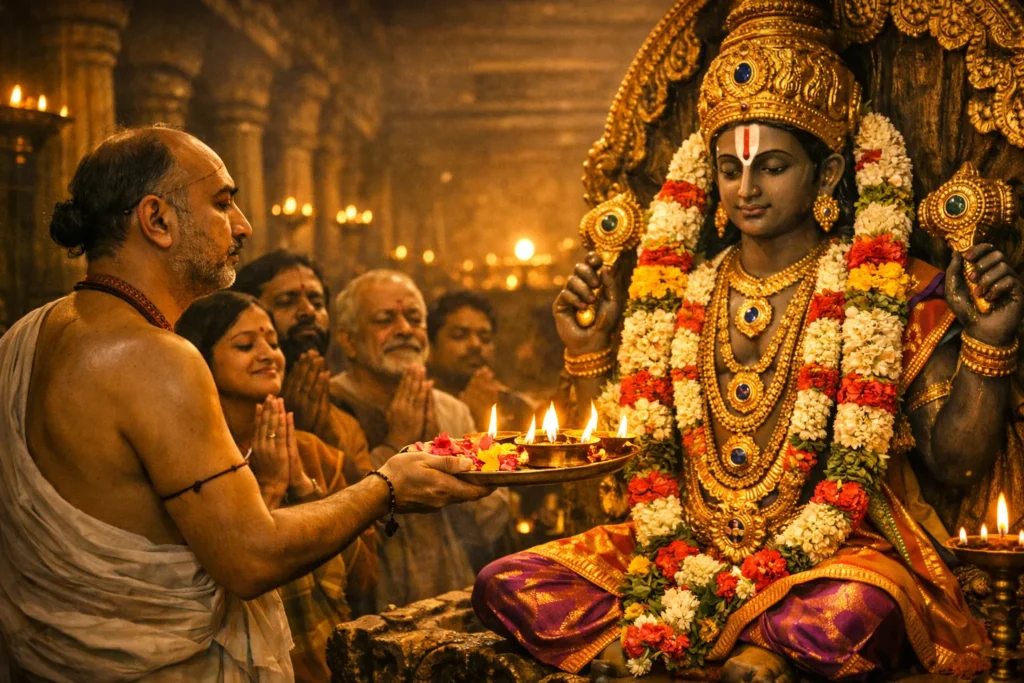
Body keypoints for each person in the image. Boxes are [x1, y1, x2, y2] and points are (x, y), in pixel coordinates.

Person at [473, 3, 1015, 681]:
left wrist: (988, 345)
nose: (746, 188)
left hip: (826, 559)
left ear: (827, 174)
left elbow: (954, 460)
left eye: (772, 166)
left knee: (858, 605)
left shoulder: (888, 287)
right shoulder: (671, 294)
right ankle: (678, 647)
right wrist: (588, 348)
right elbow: (625, 469)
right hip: (675, 551)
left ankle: (735, 650)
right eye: (729, 168)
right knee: (507, 579)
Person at [0, 125, 492, 681]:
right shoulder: (158, 357)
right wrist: (388, 486)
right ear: (156, 219)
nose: (243, 225)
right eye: (223, 202)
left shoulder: (25, 336)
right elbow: (251, 557)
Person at [175, 290, 378, 682]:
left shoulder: (313, 452)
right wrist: (267, 490)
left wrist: (301, 484)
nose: (268, 353)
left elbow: (363, 579)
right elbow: (224, 583)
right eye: (246, 345)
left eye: (273, 341)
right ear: (200, 359)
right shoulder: (189, 460)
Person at [330, 270, 510, 611]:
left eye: (414, 318)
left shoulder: (451, 409)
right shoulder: (326, 408)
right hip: (364, 611)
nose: (404, 330)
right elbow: (332, 527)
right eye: (386, 319)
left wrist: (484, 462)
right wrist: (394, 447)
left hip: (452, 601)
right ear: (348, 340)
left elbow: (490, 522)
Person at [233, 250, 373, 481]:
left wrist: (323, 439)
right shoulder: (232, 410)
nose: (308, 311)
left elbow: (374, 508)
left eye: (317, 302)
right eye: (286, 302)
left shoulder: (345, 423)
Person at [427, 290, 536, 432]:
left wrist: (486, 421)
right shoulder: (417, 406)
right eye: (459, 335)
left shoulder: (516, 408)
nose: (476, 345)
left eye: (485, 338)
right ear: (430, 347)